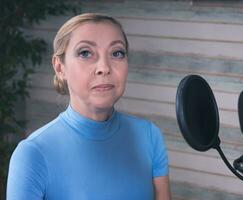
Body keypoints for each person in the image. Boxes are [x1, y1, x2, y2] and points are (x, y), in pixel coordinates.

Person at [6, 13, 171, 200]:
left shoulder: (149, 136)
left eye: (117, 53)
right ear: (60, 68)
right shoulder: (32, 154)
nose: (104, 67)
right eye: (85, 53)